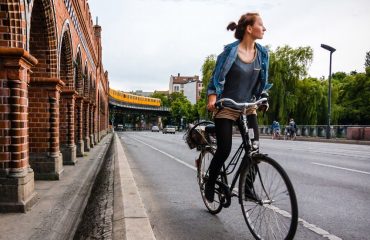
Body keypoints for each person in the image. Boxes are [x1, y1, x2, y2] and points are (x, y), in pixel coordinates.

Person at [205, 12, 272, 202]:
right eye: (261, 24)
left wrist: (263, 98)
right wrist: (212, 98)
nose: (264, 28)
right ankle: (211, 181)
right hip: (227, 105)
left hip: (248, 105)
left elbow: (263, 82)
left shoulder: (263, 53)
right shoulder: (229, 52)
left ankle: (248, 187)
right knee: (224, 149)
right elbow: (215, 79)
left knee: (254, 148)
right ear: (249, 29)